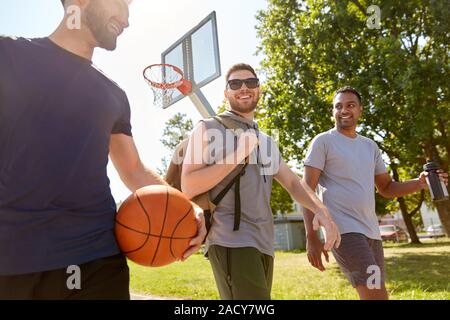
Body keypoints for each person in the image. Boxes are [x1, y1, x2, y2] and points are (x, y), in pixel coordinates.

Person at [0, 0, 205, 300]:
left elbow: (133, 169)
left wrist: (187, 207)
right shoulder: (9, 56)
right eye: (122, 3)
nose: (127, 19)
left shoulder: (113, 94)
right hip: (14, 259)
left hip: (96, 257)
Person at [181, 63, 341, 300]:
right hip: (230, 240)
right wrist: (238, 154)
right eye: (235, 84)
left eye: (251, 82)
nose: (244, 88)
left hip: (265, 244)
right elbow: (189, 185)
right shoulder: (206, 128)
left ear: (259, 89)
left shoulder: (265, 140)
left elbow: (294, 183)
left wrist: (322, 212)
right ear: (226, 93)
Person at [303, 86, 448, 300]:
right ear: (333, 112)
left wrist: (420, 183)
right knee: (376, 296)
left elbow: (387, 188)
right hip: (342, 230)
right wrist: (311, 236)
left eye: (350, 105)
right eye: (338, 106)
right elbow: (306, 189)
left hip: (371, 233)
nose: (344, 110)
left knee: (375, 295)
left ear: (360, 110)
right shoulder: (323, 142)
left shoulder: (370, 146)